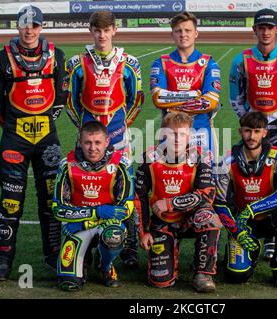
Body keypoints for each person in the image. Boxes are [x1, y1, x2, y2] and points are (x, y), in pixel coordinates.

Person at [0, 5, 69, 280]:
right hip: (15, 140)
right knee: (11, 201)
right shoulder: (0, 59)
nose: (29, 30)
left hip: (48, 139)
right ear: (17, 26)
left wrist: (45, 122)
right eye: (24, 25)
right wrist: (14, 127)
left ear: (41, 27)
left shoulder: (57, 56)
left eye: (34, 25)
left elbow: (61, 96)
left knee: (51, 201)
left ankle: (54, 255)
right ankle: (3, 257)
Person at [66, 11, 144, 268]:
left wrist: (118, 129)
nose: (101, 35)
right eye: (97, 30)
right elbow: (71, 102)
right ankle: (84, 243)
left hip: (120, 139)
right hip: (88, 142)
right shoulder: (77, 62)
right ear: (91, 31)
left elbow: (136, 101)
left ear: (114, 31)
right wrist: (88, 132)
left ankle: (129, 246)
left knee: (127, 191)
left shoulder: (130, 62)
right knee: (84, 189)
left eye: (106, 30)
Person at [229, 8, 277, 260]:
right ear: (254, 30)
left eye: (269, 27)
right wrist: (250, 125)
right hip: (254, 130)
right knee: (251, 179)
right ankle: (247, 230)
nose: (265, 32)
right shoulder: (241, 59)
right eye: (260, 27)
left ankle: (276, 236)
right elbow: (235, 97)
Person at [135, 112, 222, 293]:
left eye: (182, 134)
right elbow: (139, 198)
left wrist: (170, 203)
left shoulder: (201, 157)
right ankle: (170, 249)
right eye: (172, 133)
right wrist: (144, 232)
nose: (177, 139)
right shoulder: (149, 158)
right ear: (163, 134)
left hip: (190, 218)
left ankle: (203, 274)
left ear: (189, 135)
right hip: (163, 221)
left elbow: (206, 195)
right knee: (160, 281)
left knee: (209, 217)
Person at [214, 111, 277, 288]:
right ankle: (251, 250)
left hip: (271, 218)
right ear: (240, 132)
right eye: (247, 131)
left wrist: (254, 208)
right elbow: (219, 203)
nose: (251, 136)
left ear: (264, 132)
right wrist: (236, 231)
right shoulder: (227, 160)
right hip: (243, 222)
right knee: (236, 276)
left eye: (256, 131)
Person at [52, 121, 133, 291]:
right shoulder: (66, 165)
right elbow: (58, 209)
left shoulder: (121, 164)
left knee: (114, 234)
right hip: (77, 226)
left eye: (97, 142)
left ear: (107, 142)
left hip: (96, 224)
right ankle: (85, 259)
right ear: (80, 142)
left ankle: (104, 266)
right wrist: (97, 212)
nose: (92, 148)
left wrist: (87, 220)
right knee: (69, 283)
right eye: (88, 142)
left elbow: (125, 208)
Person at [150, 11, 221, 166]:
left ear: (196, 33)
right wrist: (195, 95)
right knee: (169, 181)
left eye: (187, 30)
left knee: (206, 182)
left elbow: (211, 101)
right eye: (178, 31)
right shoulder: (160, 63)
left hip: (200, 132)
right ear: (172, 34)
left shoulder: (209, 63)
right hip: (170, 134)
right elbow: (158, 98)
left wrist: (173, 102)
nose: (183, 34)